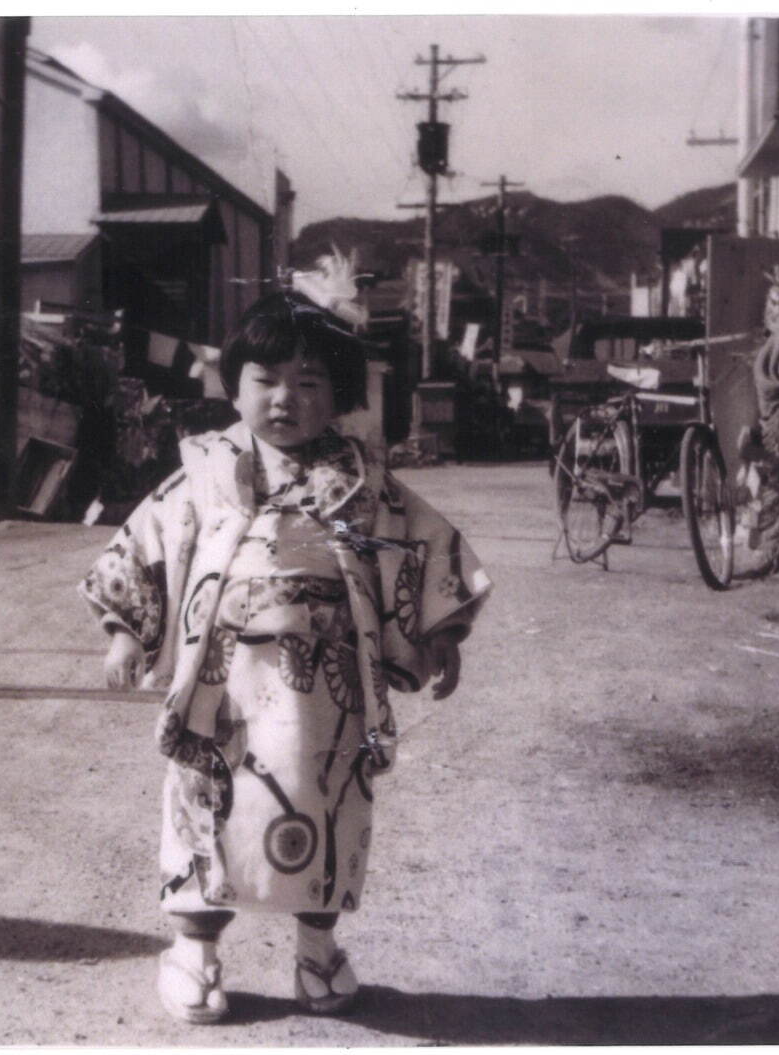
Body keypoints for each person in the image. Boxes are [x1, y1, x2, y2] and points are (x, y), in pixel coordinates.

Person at [79, 281, 492, 1024]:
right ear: (232, 386)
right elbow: (144, 546)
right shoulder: (203, 472)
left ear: (337, 397)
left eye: (308, 383)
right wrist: (125, 630)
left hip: (329, 690)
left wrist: (439, 631)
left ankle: (317, 951)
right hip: (222, 685)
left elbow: (421, 549)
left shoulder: (364, 483)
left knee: (329, 807)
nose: (284, 399)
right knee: (208, 809)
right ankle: (194, 950)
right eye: (265, 380)